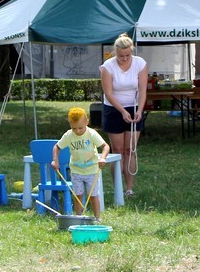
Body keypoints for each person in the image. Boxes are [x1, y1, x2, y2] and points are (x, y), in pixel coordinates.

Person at [100, 33, 148, 198]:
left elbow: (142, 90)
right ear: (116, 52)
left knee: (130, 149)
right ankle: (118, 189)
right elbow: (108, 93)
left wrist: (139, 110)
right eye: (121, 56)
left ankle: (129, 189)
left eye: (128, 55)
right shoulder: (108, 66)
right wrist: (122, 111)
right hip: (113, 109)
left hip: (134, 106)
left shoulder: (140, 63)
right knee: (118, 150)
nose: (125, 58)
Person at [53, 107, 110, 220]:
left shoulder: (91, 134)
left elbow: (105, 146)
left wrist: (102, 158)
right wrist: (55, 160)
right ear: (70, 124)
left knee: (93, 196)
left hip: (92, 170)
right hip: (76, 171)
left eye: (80, 128)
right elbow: (57, 147)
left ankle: (97, 218)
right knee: (78, 195)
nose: (77, 131)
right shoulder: (69, 135)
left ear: (87, 122)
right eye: (74, 128)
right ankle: (78, 218)